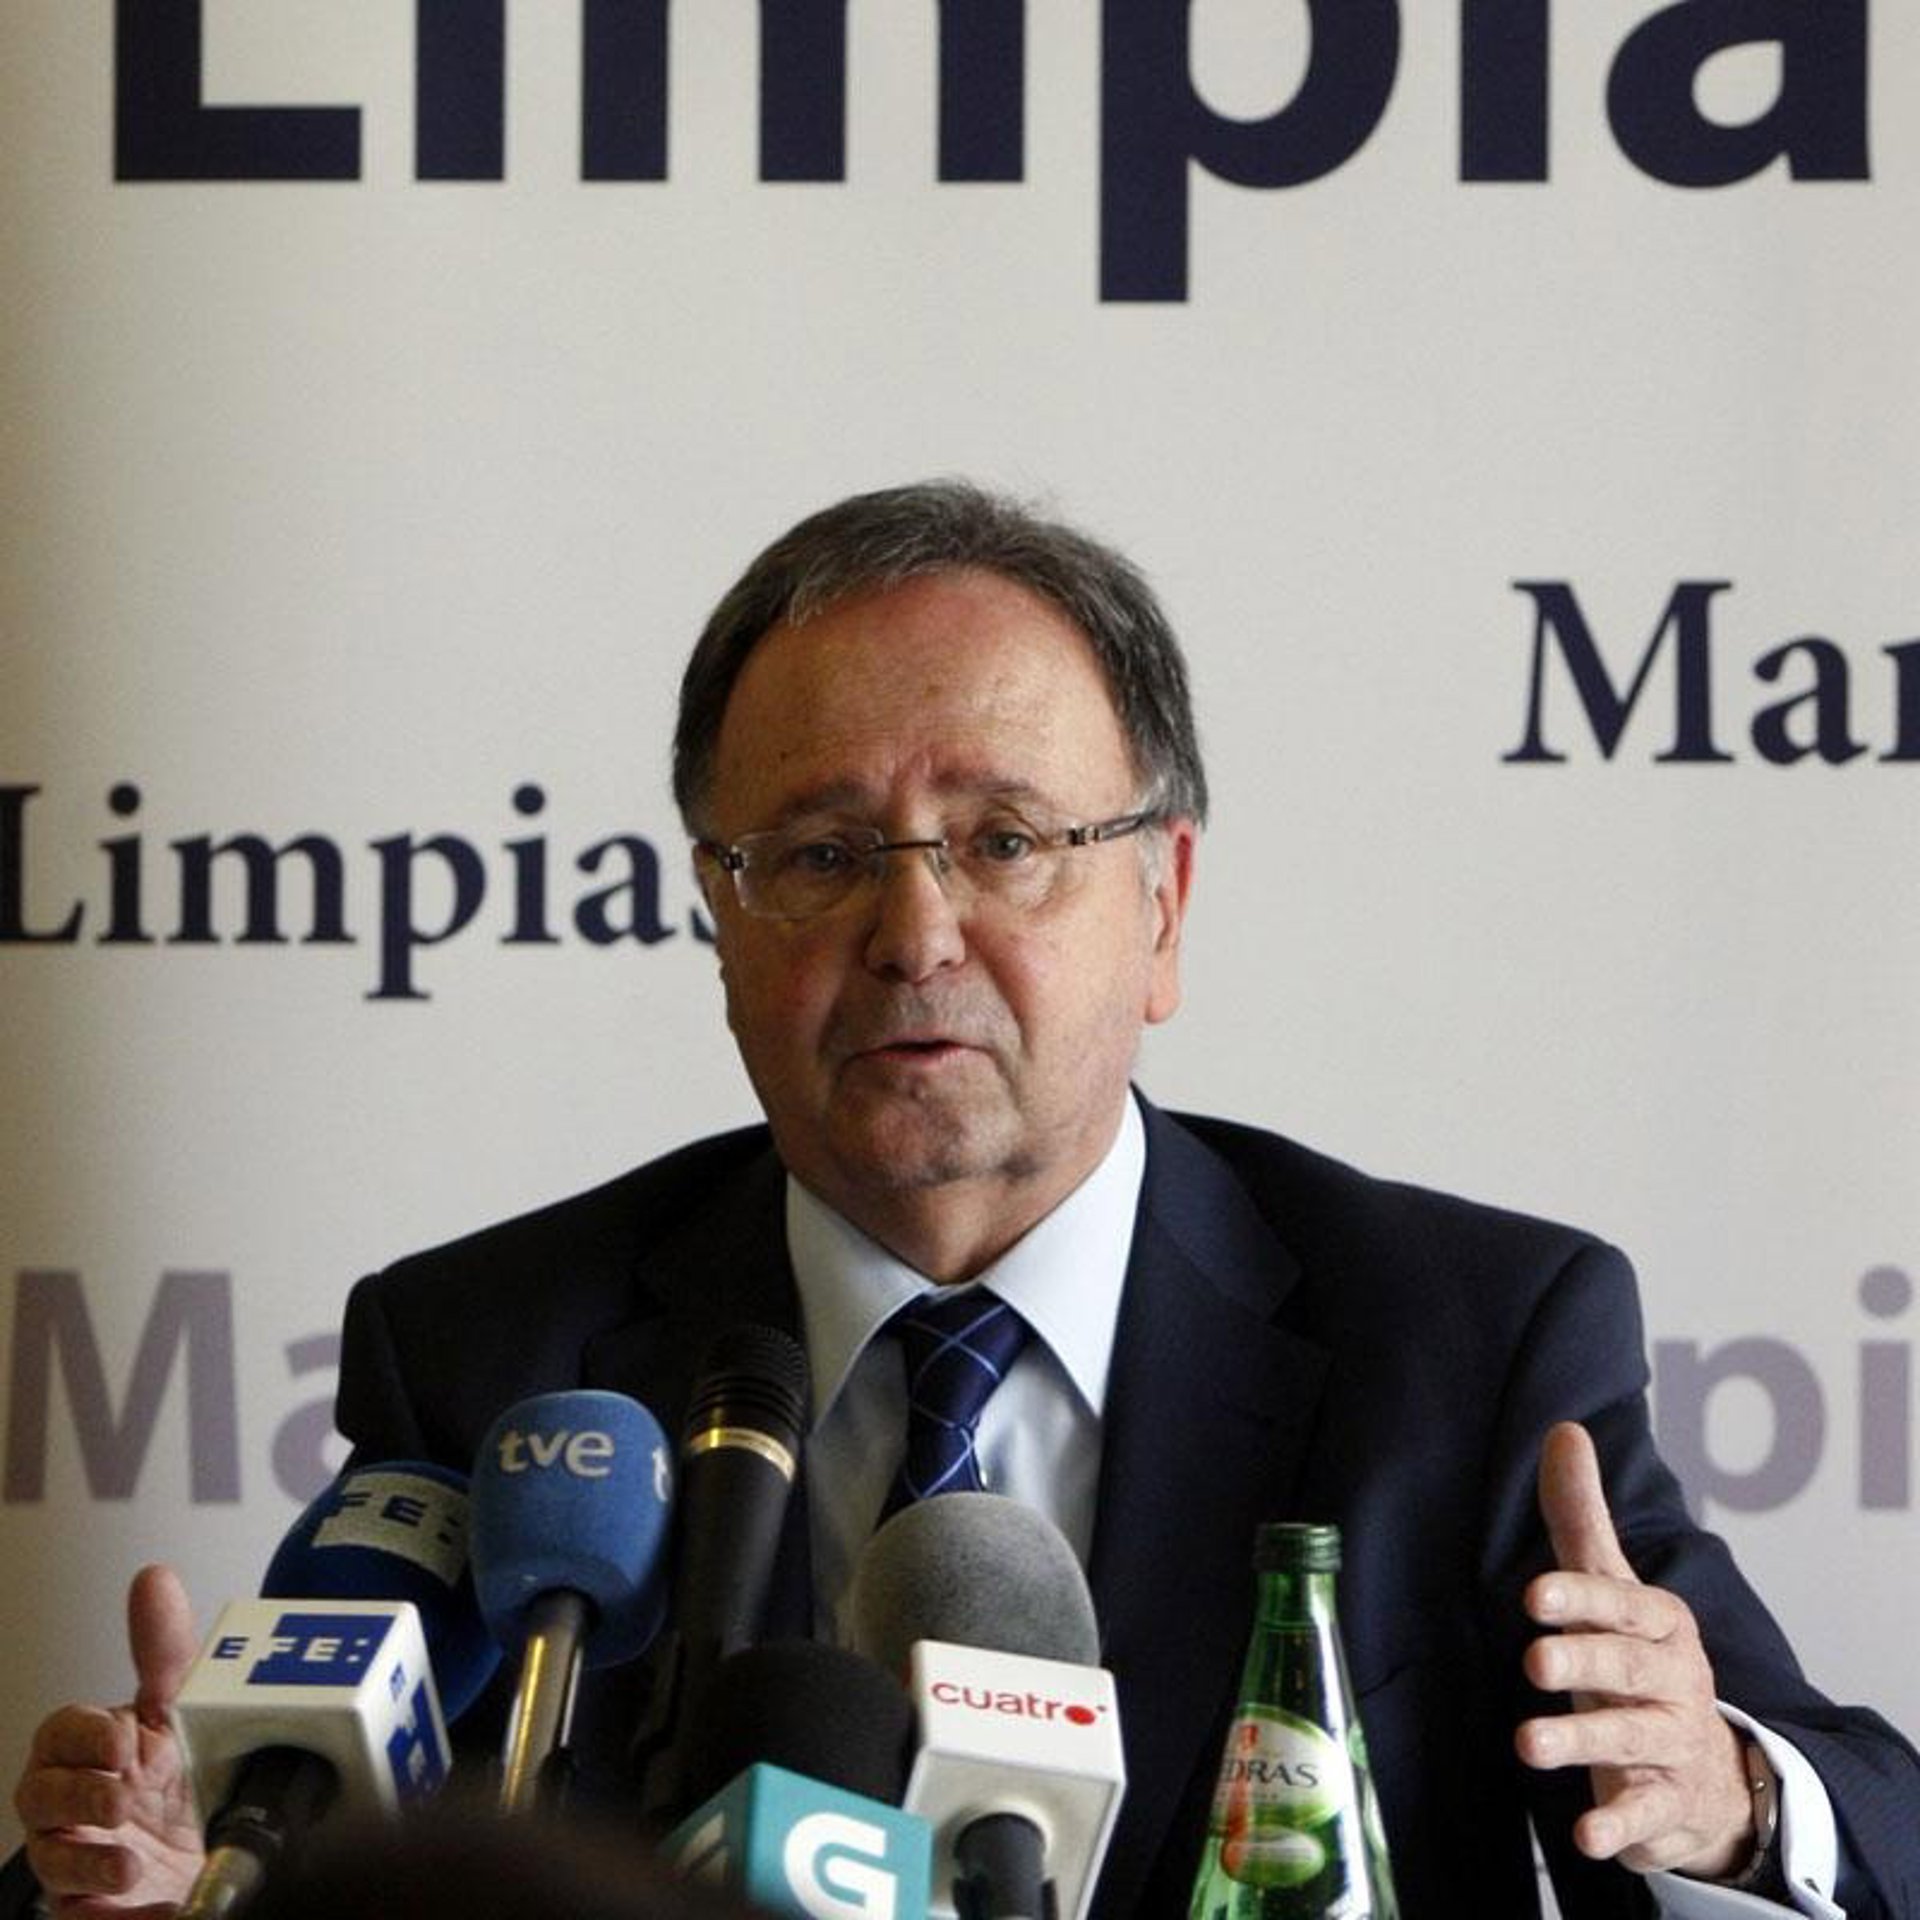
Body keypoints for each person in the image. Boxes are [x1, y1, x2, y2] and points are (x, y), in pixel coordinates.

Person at [12, 481, 1919, 1918]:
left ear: (1163, 905)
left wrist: (1731, 1794)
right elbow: (302, 1828)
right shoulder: (501, 1357)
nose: (914, 930)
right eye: (820, 853)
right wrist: (178, 1871)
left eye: (1004, 841)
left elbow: (1886, 1819)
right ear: (719, 921)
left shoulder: (1465, 1344)